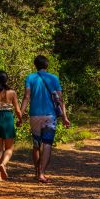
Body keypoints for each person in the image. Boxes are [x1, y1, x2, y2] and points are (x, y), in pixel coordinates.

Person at [20, 55, 70, 183]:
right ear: (47, 65)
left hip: (34, 115)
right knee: (47, 144)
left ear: (35, 65)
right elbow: (60, 99)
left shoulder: (30, 78)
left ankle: (37, 172)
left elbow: (26, 97)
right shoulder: (54, 78)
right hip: (49, 115)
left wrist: (21, 113)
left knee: (36, 144)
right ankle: (42, 173)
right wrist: (64, 117)